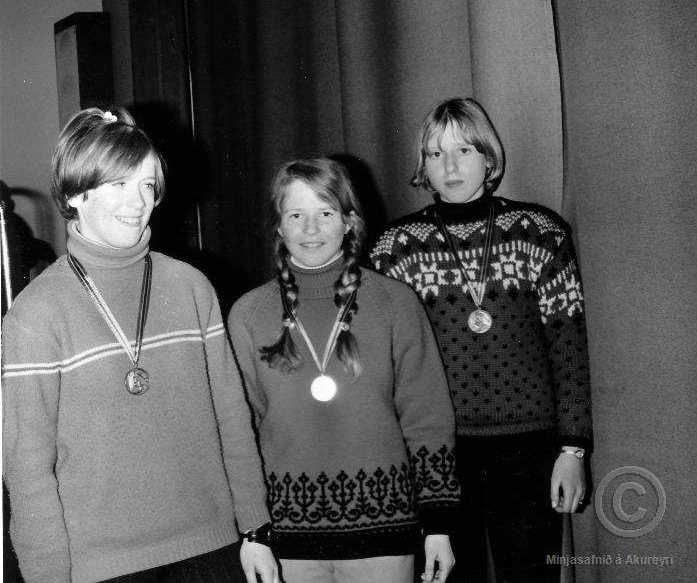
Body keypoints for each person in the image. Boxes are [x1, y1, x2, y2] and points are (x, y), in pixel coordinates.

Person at [2, 107, 279, 583]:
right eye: (119, 184)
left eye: (147, 184)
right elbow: (28, 469)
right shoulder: (36, 313)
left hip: (211, 548)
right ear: (75, 193)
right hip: (100, 567)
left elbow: (232, 418)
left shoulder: (191, 286)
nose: (138, 201)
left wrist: (256, 530)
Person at [370, 97, 593, 582]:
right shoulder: (394, 249)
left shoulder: (539, 233)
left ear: (488, 158)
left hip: (529, 447)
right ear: (423, 166)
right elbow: (383, 366)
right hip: (436, 454)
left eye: (464, 151)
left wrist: (572, 450)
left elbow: (570, 349)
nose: (449, 167)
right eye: (436, 154)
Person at [227, 158, 460, 583]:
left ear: (349, 221)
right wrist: (253, 532)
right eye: (296, 215)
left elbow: (427, 418)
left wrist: (438, 525)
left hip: (384, 532)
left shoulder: (395, 303)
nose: (310, 229)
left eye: (326, 213)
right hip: (285, 540)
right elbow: (241, 432)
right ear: (278, 226)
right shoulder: (248, 314)